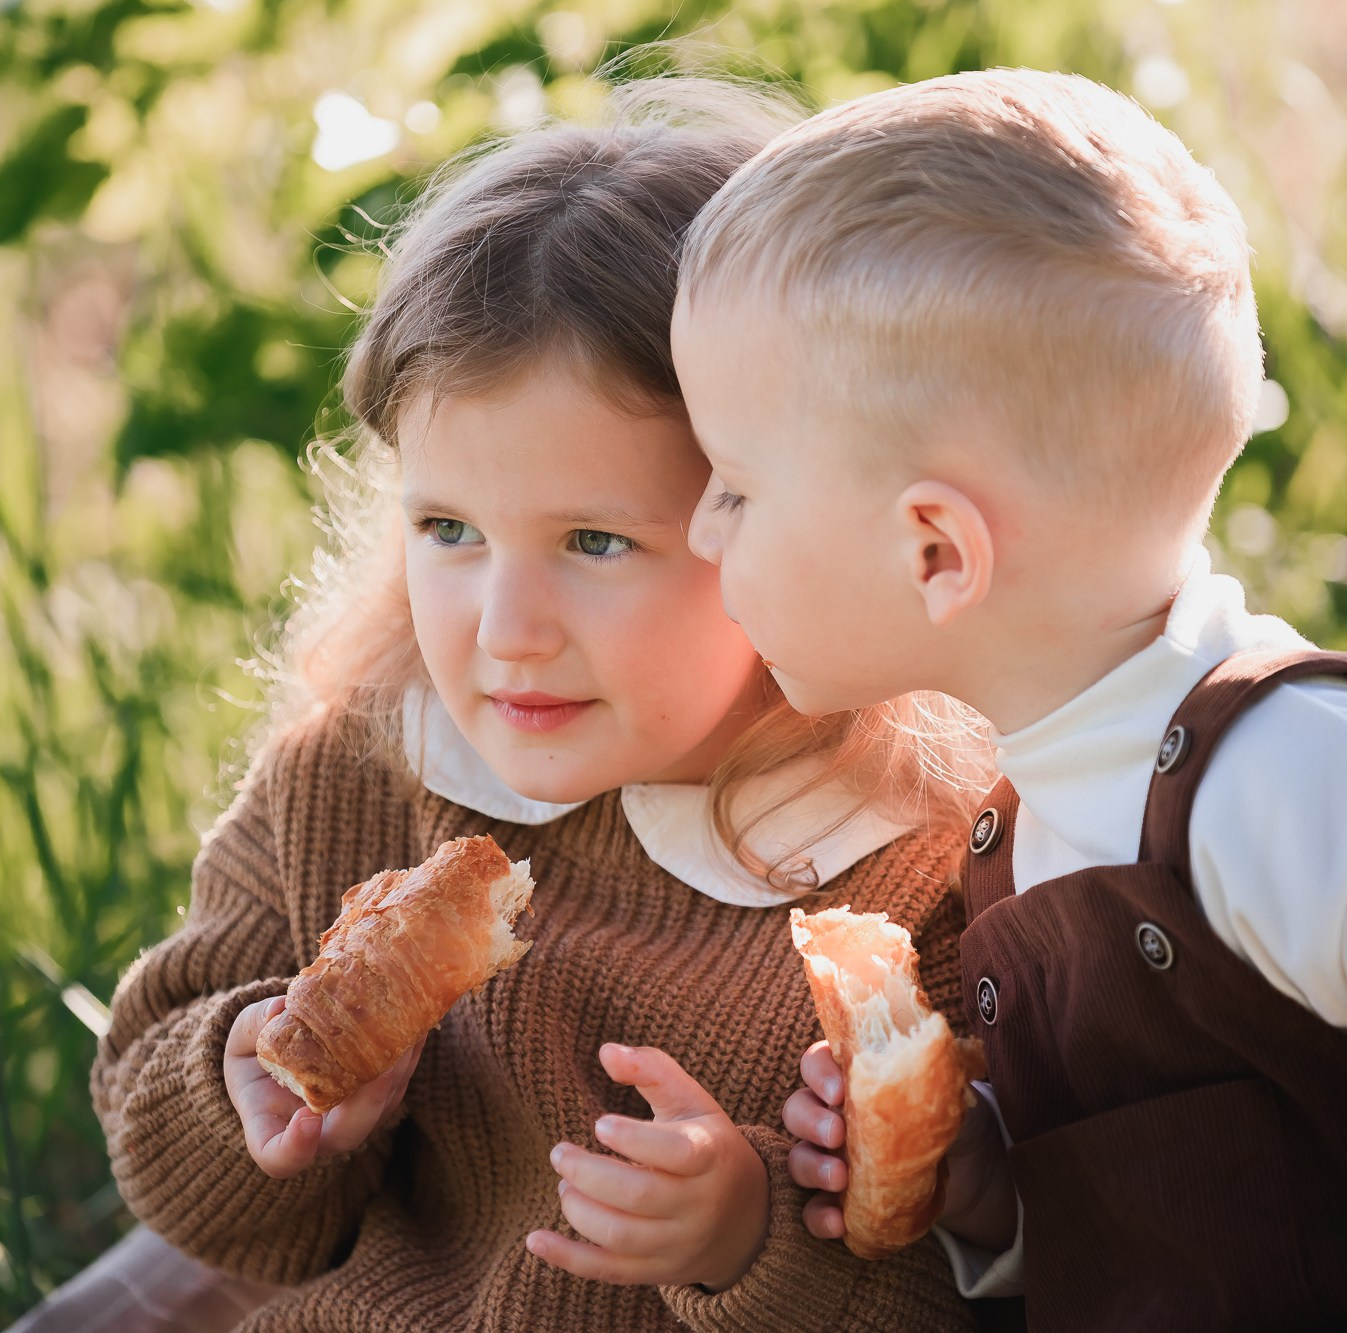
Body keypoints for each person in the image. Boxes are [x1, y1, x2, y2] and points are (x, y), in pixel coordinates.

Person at [672, 68, 1347, 1330]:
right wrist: (995, 1189)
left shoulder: (1327, 798)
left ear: (936, 553)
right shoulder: (1030, 816)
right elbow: (1220, 1224)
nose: (702, 531)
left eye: (736, 486)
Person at [83, 79, 992, 1333]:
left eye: (595, 542)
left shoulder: (900, 872)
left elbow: (963, 1281)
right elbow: (197, 1186)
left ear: (788, 519)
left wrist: (749, 1239)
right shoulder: (360, 769)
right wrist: (247, 1079)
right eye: (448, 529)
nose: (503, 628)